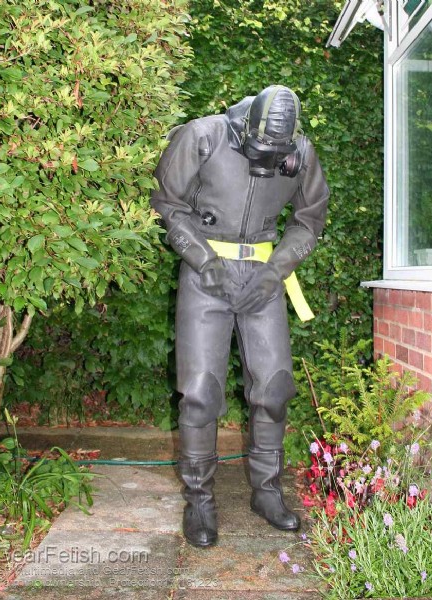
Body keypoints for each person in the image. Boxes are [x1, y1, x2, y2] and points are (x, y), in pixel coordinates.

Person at [150, 85, 329, 548]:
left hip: (264, 276)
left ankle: (267, 491)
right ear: (245, 127)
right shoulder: (203, 136)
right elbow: (167, 203)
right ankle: (199, 500)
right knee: (199, 392)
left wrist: (276, 270)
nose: (266, 159)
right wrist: (202, 260)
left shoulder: (301, 151)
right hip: (205, 272)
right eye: (259, 148)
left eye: (276, 153)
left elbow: (309, 218)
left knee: (274, 387)